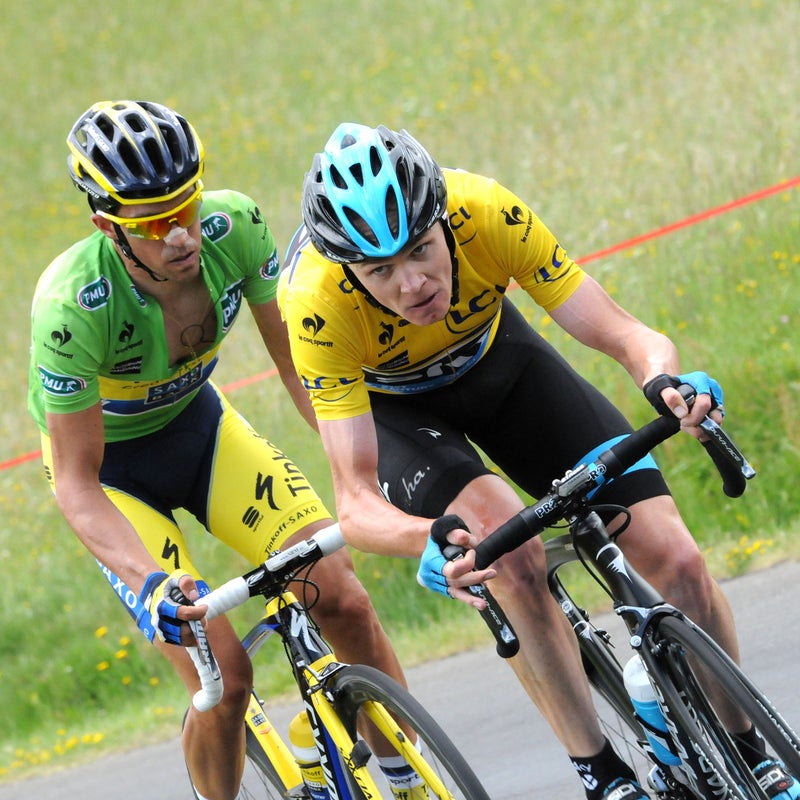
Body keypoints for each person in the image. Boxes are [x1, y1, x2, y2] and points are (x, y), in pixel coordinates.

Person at [277, 122, 799, 800]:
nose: (411, 284)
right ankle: (603, 774)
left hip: (502, 365)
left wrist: (668, 381)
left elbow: (625, 333)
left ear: (444, 220)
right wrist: (425, 540)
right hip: (401, 416)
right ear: (349, 271)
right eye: (380, 271)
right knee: (511, 559)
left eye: (421, 251)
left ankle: (750, 749)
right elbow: (352, 497)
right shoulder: (315, 307)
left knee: (679, 561)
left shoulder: (485, 211)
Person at [27, 102, 417, 800]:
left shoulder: (234, 227)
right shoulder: (71, 307)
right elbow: (76, 483)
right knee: (227, 680)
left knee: (343, 597)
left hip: (203, 432)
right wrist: (149, 585)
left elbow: (305, 375)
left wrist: (365, 472)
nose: (179, 234)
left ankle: (405, 775)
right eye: (152, 222)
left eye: (185, 205)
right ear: (107, 226)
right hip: (115, 481)